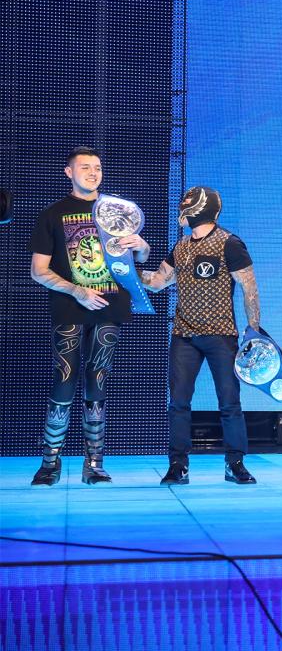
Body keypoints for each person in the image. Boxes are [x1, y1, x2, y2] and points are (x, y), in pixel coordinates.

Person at [28, 146, 151, 486]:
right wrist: (77, 291)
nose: (93, 172)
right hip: (70, 307)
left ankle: (94, 464)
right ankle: (50, 463)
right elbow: (38, 271)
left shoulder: (116, 211)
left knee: (97, 380)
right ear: (69, 172)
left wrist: (141, 247)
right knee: (64, 380)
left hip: (109, 307)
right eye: (85, 167)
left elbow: (139, 258)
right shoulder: (53, 214)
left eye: (97, 167)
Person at [141, 186, 259, 485]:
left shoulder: (229, 243)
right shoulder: (181, 246)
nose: (181, 209)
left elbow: (249, 288)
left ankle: (235, 463)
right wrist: (126, 269)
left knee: (229, 402)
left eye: (186, 204)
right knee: (178, 402)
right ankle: (177, 465)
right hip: (184, 335)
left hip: (221, 334)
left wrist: (254, 330)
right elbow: (158, 281)